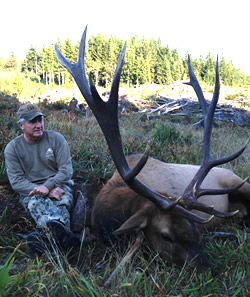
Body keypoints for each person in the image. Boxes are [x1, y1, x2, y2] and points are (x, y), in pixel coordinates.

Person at [4, 103, 80, 254]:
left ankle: (51, 241)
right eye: (33, 122)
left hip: (60, 185)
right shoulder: (12, 148)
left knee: (62, 201)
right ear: (21, 125)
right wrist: (43, 191)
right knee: (36, 203)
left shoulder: (57, 139)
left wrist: (49, 186)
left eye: (40, 120)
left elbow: (66, 170)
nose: (38, 125)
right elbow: (17, 182)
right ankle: (64, 238)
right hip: (31, 190)